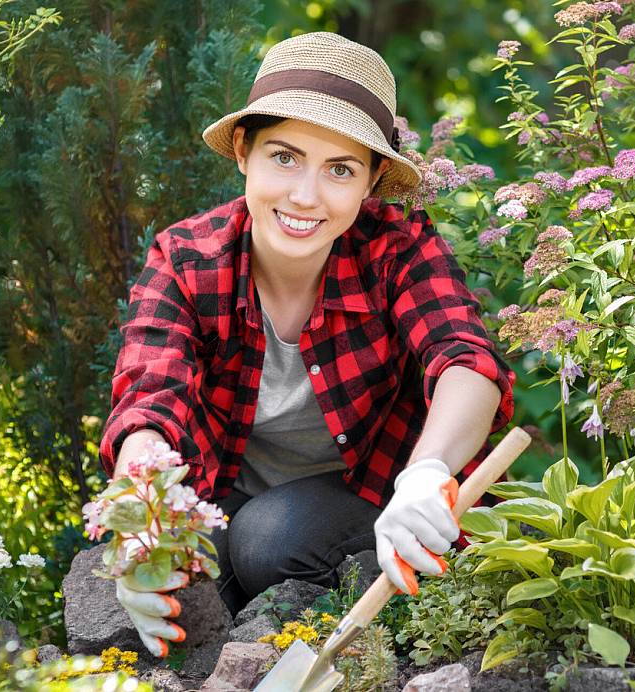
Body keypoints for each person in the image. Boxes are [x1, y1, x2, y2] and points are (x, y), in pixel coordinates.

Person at [97, 31, 515, 657]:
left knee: (269, 538)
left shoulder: (395, 248)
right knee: (175, 561)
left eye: (340, 169)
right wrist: (142, 517)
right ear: (244, 151)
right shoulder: (187, 259)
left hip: (374, 500)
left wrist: (428, 474)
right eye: (284, 157)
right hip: (230, 496)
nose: (304, 196)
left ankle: (403, 625)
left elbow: (465, 361)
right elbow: (149, 400)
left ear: (372, 181)